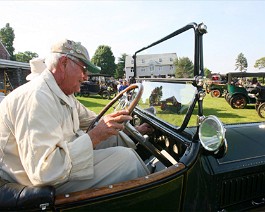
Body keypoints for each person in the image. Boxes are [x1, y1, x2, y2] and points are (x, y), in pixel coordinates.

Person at [0, 39, 150, 194]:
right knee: (127, 160)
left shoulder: (63, 94)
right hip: (34, 184)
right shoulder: (37, 98)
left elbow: (94, 120)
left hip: (59, 166)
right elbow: (44, 172)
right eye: (83, 69)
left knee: (114, 138)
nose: (86, 77)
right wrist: (94, 136)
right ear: (63, 63)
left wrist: (123, 127)